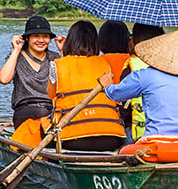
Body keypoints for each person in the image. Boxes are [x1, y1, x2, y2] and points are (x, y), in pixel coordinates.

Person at [98, 29, 178, 138]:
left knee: (126, 140)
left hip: (157, 139)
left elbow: (116, 94)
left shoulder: (145, 75)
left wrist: (107, 86)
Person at [44, 20, 126, 151]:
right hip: (111, 138)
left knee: (42, 126)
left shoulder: (57, 65)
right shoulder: (105, 64)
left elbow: (51, 95)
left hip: (71, 139)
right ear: (96, 43)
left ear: (70, 41)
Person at [0, 15, 61, 129]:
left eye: (45, 37)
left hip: (52, 110)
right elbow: (4, 79)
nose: (41, 40)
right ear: (27, 38)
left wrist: (63, 51)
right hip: (26, 110)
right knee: (40, 113)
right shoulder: (17, 57)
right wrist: (16, 50)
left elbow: (69, 81)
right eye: (36, 36)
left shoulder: (55, 57)